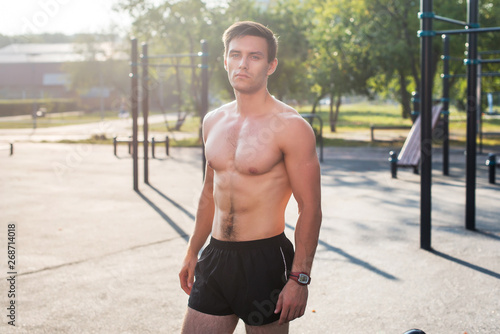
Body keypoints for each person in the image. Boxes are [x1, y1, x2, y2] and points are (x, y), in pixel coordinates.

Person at [179, 21, 322, 333]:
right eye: (236, 55)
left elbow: (310, 208)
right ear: (226, 60)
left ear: (271, 65)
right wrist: (193, 250)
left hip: (265, 260)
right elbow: (208, 194)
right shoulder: (213, 121)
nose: (243, 64)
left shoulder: (291, 127)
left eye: (255, 57)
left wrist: (300, 278)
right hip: (216, 257)